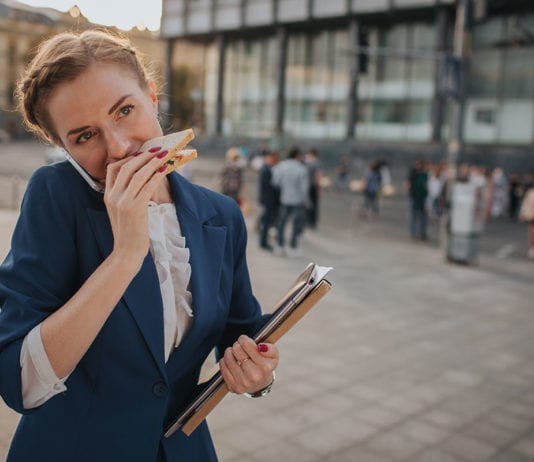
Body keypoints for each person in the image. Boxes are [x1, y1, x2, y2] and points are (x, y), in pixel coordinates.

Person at [0, 29, 278, 462]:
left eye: (125, 110)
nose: (119, 147)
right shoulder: (55, 196)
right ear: (63, 148)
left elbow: (237, 333)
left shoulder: (220, 214)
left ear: (151, 95)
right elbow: (19, 382)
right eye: (84, 136)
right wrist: (125, 256)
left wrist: (256, 373)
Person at [271, 146, 309, 257]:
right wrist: (306, 200)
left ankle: (279, 245)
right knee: (295, 224)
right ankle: (293, 247)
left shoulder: (281, 166)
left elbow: (275, 182)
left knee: (282, 223)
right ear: (297, 155)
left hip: (284, 198)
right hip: (297, 200)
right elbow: (304, 188)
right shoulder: (301, 168)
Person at [257, 150, 280, 251]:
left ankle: (263, 240)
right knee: (266, 221)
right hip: (268, 199)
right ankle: (263, 242)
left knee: (266, 220)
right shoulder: (266, 169)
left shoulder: (268, 168)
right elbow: (268, 186)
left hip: (268, 199)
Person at [304, 148, 322, 229]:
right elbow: (317, 175)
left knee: (307, 203)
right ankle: (312, 222)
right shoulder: (316, 162)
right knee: (313, 204)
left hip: (306, 186)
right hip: (312, 186)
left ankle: (307, 220)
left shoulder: (306, 162)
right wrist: (319, 187)